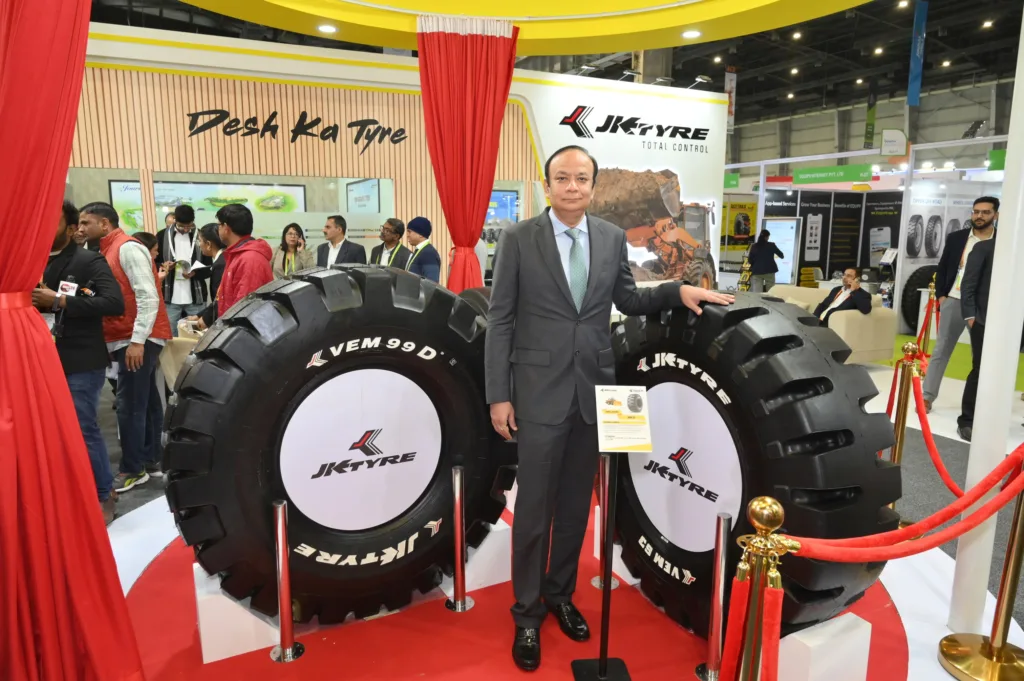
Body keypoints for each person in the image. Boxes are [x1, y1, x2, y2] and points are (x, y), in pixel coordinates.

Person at [485, 145, 733, 672]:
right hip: (537, 392)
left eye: (581, 178)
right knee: (534, 512)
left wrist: (678, 291)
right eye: (562, 178)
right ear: (547, 184)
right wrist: (498, 395)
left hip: (594, 392)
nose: (572, 186)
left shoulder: (610, 237)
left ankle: (559, 594)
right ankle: (526, 614)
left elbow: (629, 299)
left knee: (577, 507)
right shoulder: (518, 238)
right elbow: (500, 319)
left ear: (593, 187)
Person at [33, 201, 125, 524]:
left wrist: (60, 300)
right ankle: (72, 491)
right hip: (40, 356)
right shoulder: (31, 260)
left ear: (71, 229)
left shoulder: (89, 260)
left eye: (53, 221)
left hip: (81, 358)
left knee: (83, 426)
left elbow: (114, 302)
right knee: (50, 429)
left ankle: (104, 494)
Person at [79, 201, 172, 493]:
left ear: (104, 224)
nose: (81, 228)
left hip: (137, 337)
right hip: (129, 336)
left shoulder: (127, 248)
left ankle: (132, 469)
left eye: (86, 223)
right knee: (146, 401)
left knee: (130, 404)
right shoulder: (105, 250)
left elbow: (147, 296)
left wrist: (137, 341)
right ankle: (151, 459)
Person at [921, 196, 999, 413]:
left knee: (981, 355)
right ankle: (927, 396)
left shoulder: (1001, 241)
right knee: (941, 350)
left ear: (996, 215)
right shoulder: (957, 238)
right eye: (976, 211)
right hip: (953, 300)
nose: (979, 216)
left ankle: (979, 402)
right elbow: (943, 267)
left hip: (983, 305)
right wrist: (942, 296)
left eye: (985, 212)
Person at [958, 223, 997, 442]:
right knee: (980, 369)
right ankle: (967, 420)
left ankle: (993, 417)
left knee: (1006, 371)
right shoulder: (984, 248)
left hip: (1015, 323)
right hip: (983, 320)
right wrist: (971, 316)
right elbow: (968, 284)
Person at [156, 205, 212, 336]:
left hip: (196, 298)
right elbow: (153, 262)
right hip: (170, 297)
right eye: (182, 226)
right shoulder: (162, 236)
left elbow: (209, 266)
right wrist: (164, 266)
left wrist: (195, 272)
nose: (186, 229)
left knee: (197, 334)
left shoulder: (201, 236)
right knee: (170, 335)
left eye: (189, 226)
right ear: (175, 220)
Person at [216, 204, 273, 317]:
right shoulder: (237, 254)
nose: (218, 229)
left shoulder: (249, 259)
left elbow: (244, 311)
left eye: (219, 225)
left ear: (226, 228)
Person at [190, 223, 227, 330]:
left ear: (209, 244)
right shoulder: (223, 259)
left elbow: (220, 299)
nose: (199, 245)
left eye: (200, 241)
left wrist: (205, 319)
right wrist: (199, 315)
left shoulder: (220, 265)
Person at [406, 217, 441, 283]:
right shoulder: (421, 251)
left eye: (409, 231)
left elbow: (431, 283)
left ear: (420, 234)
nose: (407, 235)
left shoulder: (429, 254)